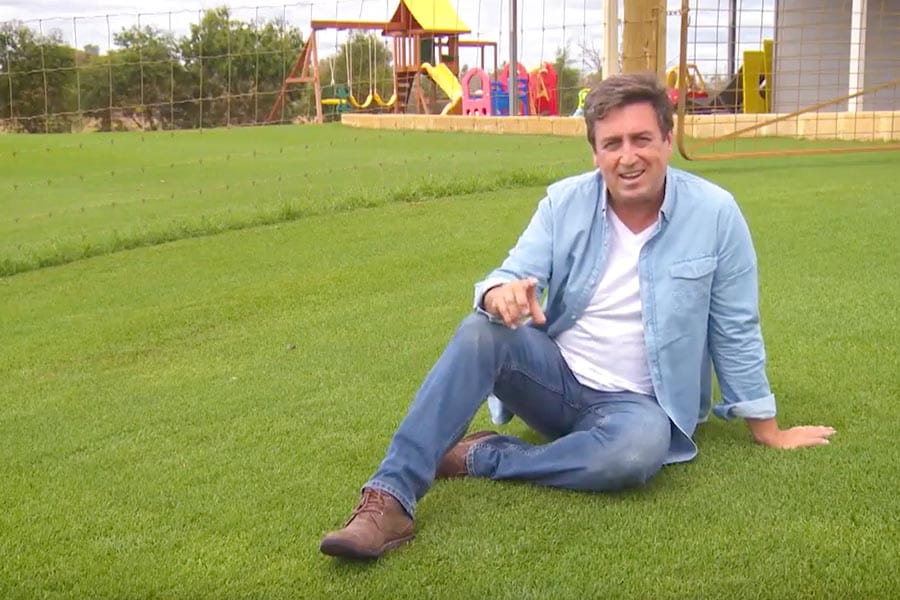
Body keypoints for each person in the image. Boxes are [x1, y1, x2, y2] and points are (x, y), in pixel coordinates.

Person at [319, 72, 835, 560]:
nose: (628, 157)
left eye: (641, 139)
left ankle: (482, 457)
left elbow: (735, 326)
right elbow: (510, 272)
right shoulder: (563, 203)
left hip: (639, 408)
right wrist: (501, 294)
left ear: (667, 140)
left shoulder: (716, 214)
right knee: (481, 330)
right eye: (612, 144)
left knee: (637, 453)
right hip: (555, 380)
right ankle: (390, 499)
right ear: (595, 153)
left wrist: (766, 426)